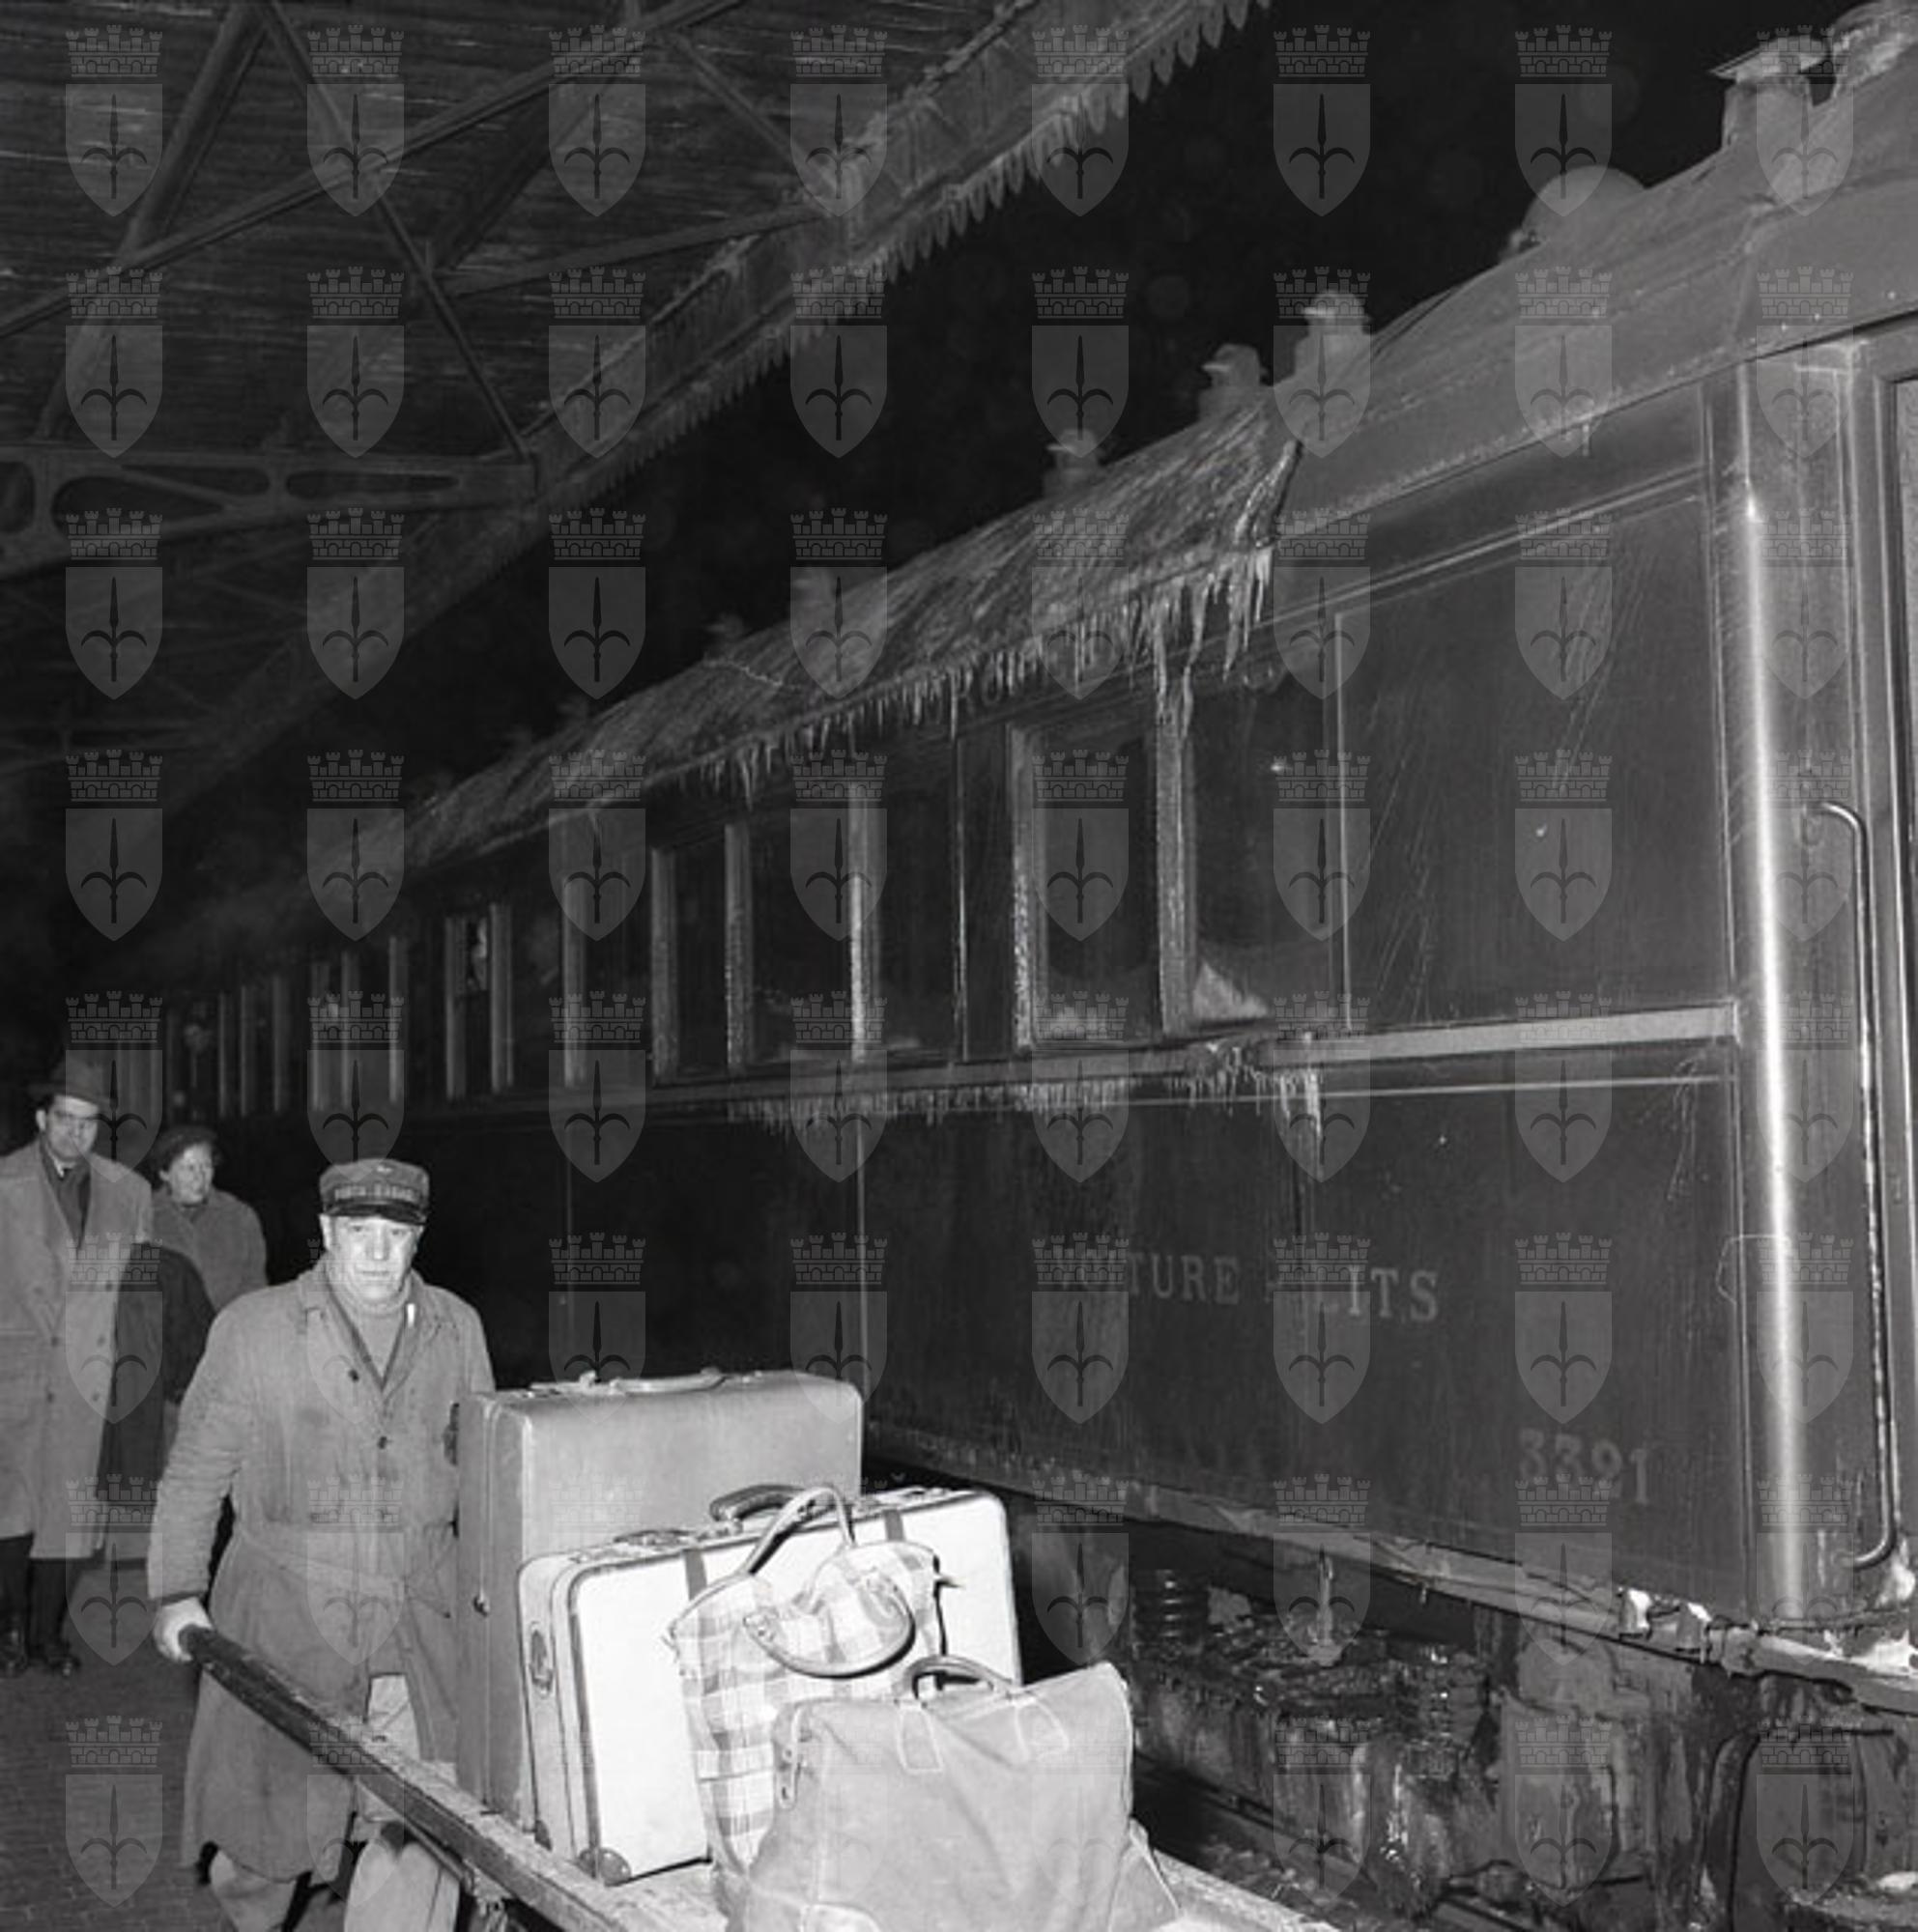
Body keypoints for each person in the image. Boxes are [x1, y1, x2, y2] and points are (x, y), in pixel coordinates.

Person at [149, 1157, 494, 1932]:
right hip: (285, 1616)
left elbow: (481, 1468)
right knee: (264, 1848)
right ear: (327, 1233)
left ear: (418, 1239)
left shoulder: (456, 1327)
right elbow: (196, 1470)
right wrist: (175, 1591)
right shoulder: (254, 1329)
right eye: (357, 1231)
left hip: (418, 1615)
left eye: (394, 1235)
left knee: (424, 1831)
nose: (376, 1252)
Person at [0, 1062, 155, 1676]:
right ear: (43, 1119)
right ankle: (9, 1629)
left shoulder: (129, 1193)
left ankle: (48, 1635)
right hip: (14, 1369)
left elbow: (138, 1296)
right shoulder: (5, 1182)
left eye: (89, 1122)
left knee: (69, 1513)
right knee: (11, 1508)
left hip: (85, 1377)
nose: (76, 1132)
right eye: (65, 1118)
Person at [150, 1123, 269, 1316]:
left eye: (206, 1166)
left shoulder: (239, 1217)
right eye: (189, 1168)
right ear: (164, 1173)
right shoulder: (144, 1217)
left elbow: (255, 1286)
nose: (200, 1178)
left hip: (228, 1326)